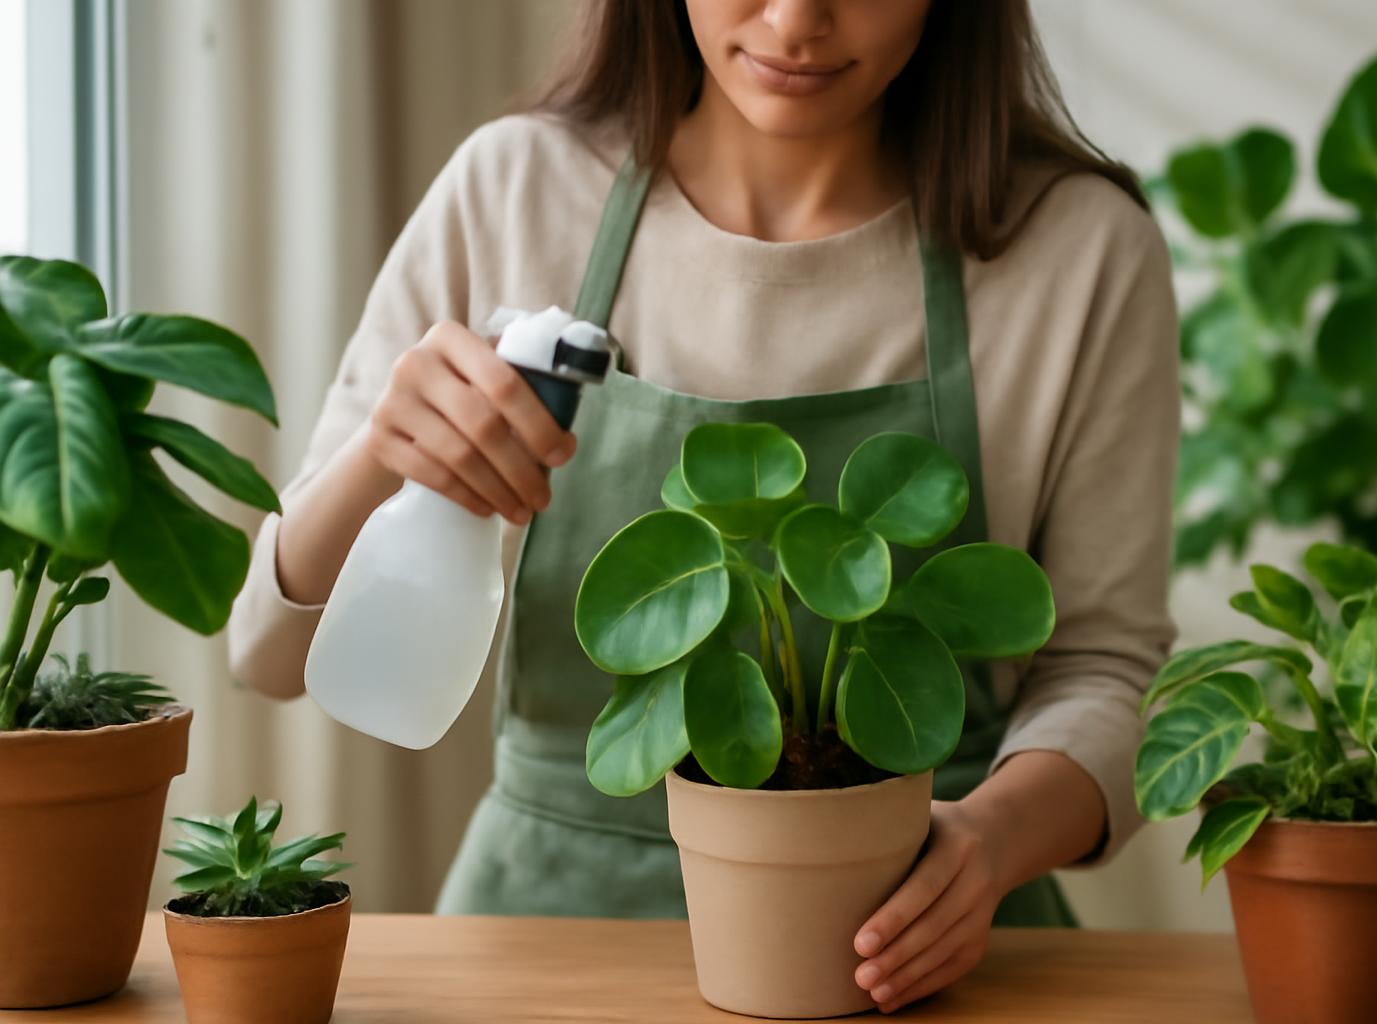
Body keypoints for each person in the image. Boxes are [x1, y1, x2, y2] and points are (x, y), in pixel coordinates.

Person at [229, 0, 1178, 1012]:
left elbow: (1106, 667)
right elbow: (264, 652)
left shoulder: (1079, 251)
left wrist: (988, 842)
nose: (795, 19)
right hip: (546, 946)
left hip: (911, 952)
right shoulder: (514, 189)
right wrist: (383, 453)